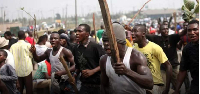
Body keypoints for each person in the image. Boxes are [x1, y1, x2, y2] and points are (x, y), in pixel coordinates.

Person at [100, 23, 153, 94]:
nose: (106, 44)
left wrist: (127, 72)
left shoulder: (136, 57)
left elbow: (149, 84)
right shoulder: (104, 60)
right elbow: (104, 85)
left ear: (121, 42)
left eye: (109, 40)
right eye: (104, 41)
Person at [132, 24, 172, 94]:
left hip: (155, 85)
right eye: (132, 31)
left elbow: (168, 66)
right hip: (140, 85)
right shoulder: (134, 48)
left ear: (143, 34)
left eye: (135, 31)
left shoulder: (155, 48)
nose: (132, 34)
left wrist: (167, 89)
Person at [146, 22, 187, 90]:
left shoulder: (173, 37)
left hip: (174, 66)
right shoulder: (156, 39)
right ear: (160, 31)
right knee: (163, 87)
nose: (166, 30)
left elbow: (182, 33)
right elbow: (144, 35)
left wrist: (188, 25)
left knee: (177, 87)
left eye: (167, 29)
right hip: (163, 67)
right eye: (163, 29)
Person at [72, 24, 105, 94]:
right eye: (76, 31)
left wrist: (93, 71)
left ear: (87, 34)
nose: (77, 33)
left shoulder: (95, 47)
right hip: (84, 85)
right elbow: (78, 66)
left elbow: (106, 63)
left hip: (97, 86)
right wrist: (74, 76)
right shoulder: (76, 48)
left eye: (80, 31)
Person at [173, 20, 199, 94]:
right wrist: (177, 90)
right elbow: (183, 70)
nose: (192, 33)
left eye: (195, 30)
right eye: (189, 30)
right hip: (196, 85)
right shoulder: (187, 49)